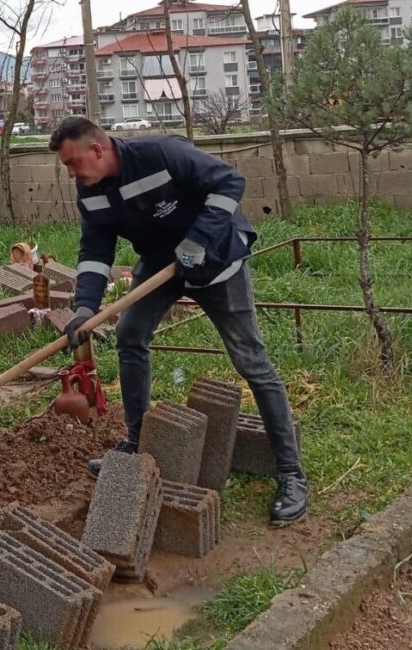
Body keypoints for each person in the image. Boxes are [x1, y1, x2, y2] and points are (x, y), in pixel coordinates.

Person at [49, 117, 308, 526]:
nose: (72, 173)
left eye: (73, 163)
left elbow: (229, 183)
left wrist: (199, 239)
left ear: (97, 149)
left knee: (250, 360)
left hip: (217, 258)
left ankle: (291, 475)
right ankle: (136, 443)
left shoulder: (162, 153)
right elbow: (95, 248)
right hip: (160, 263)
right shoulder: (90, 190)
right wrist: (85, 307)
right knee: (130, 334)